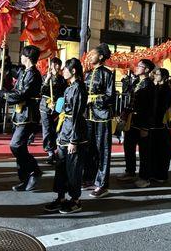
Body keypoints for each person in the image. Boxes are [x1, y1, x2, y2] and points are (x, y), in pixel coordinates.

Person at [45, 58, 88, 214]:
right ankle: (60, 197)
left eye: (65, 68)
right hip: (65, 130)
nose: (62, 71)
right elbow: (65, 109)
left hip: (74, 133)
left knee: (73, 168)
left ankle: (75, 200)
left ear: (74, 70)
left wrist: (74, 140)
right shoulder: (69, 87)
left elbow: (76, 114)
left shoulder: (79, 88)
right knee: (61, 167)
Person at [3, 45, 43, 192]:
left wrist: (6, 96)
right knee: (20, 147)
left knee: (16, 145)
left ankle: (34, 170)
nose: (20, 57)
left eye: (22, 55)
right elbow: (9, 67)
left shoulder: (34, 74)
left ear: (27, 57)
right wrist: (5, 51)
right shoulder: (24, 72)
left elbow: (22, 94)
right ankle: (25, 178)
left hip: (28, 115)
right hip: (20, 114)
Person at [83, 43, 115, 198]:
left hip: (102, 116)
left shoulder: (108, 74)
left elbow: (110, 97)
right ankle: (89, 178)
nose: (90, 56)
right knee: (89, 149)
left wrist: (93, 100)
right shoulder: (87, 73)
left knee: (103, 150)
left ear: (101, 56)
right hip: (88, 116)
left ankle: (102, 184)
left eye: (93, 53)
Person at [117, 59, 156, 188]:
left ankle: (145, 177)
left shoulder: (150, 86)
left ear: (146, 70)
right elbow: (131, 101)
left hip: (142, 122)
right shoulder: (136, 82)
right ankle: (130, 171)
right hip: (131, 121)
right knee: (129, 147)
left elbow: (150, 108)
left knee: (144, 151)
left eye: (140, 66)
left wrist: (145, 127)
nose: (137, 67)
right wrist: (124, 114)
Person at [40, 57, 67, 165]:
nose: (56, 67)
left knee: (57, 129)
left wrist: (58, 103)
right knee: (47, 129)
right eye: (54, 64)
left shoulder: (62, 79)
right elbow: (41, 91)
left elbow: (64, 93)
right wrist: (47, 80)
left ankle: (58, 150)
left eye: (58, 65)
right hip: (45, 106)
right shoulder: (44, 77)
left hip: (58, 107)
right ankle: (50, 152)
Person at [149, 67, 171, 183]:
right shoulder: (157, 88)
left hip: (162, 123)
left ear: (163, 77)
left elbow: (162, 106)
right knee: (154, 149)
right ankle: (155, 172)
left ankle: (162, 174)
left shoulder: (167, 90)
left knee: (162, 150)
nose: (155, 76)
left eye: (157, 74)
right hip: (155, 122)